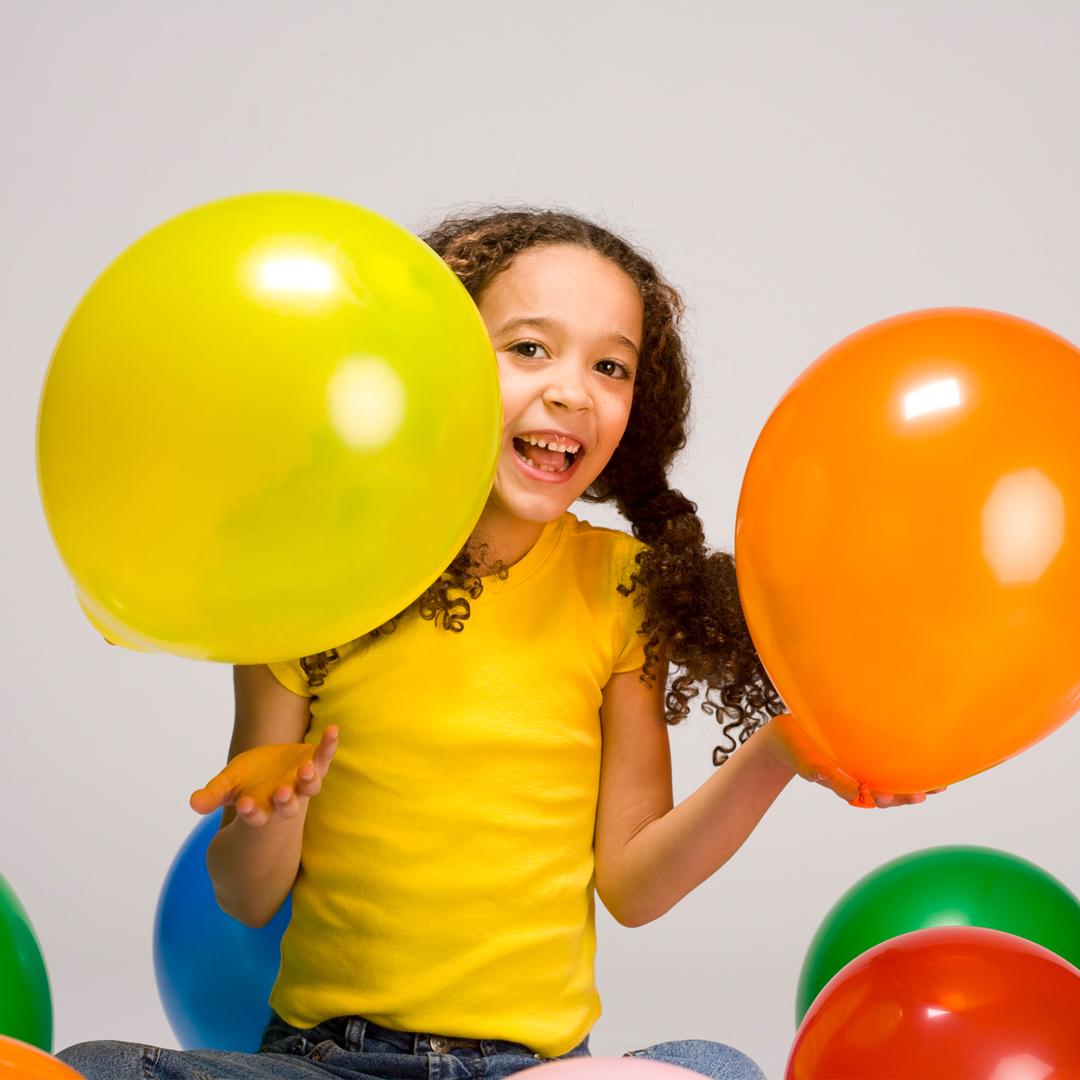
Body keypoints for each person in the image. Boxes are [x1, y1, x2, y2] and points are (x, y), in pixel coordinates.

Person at [58, 208, 938, 1080]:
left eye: (609, 366)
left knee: (718, 1067)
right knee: (91, 1065)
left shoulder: (617, 588)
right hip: (330, 1065)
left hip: (529, 1071)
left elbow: (633, 885)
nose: (570, 390)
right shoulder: (319, 579)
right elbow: (248, 898)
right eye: (529, 349)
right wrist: (271, 816)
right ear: (433, 362)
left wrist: (779, 750)